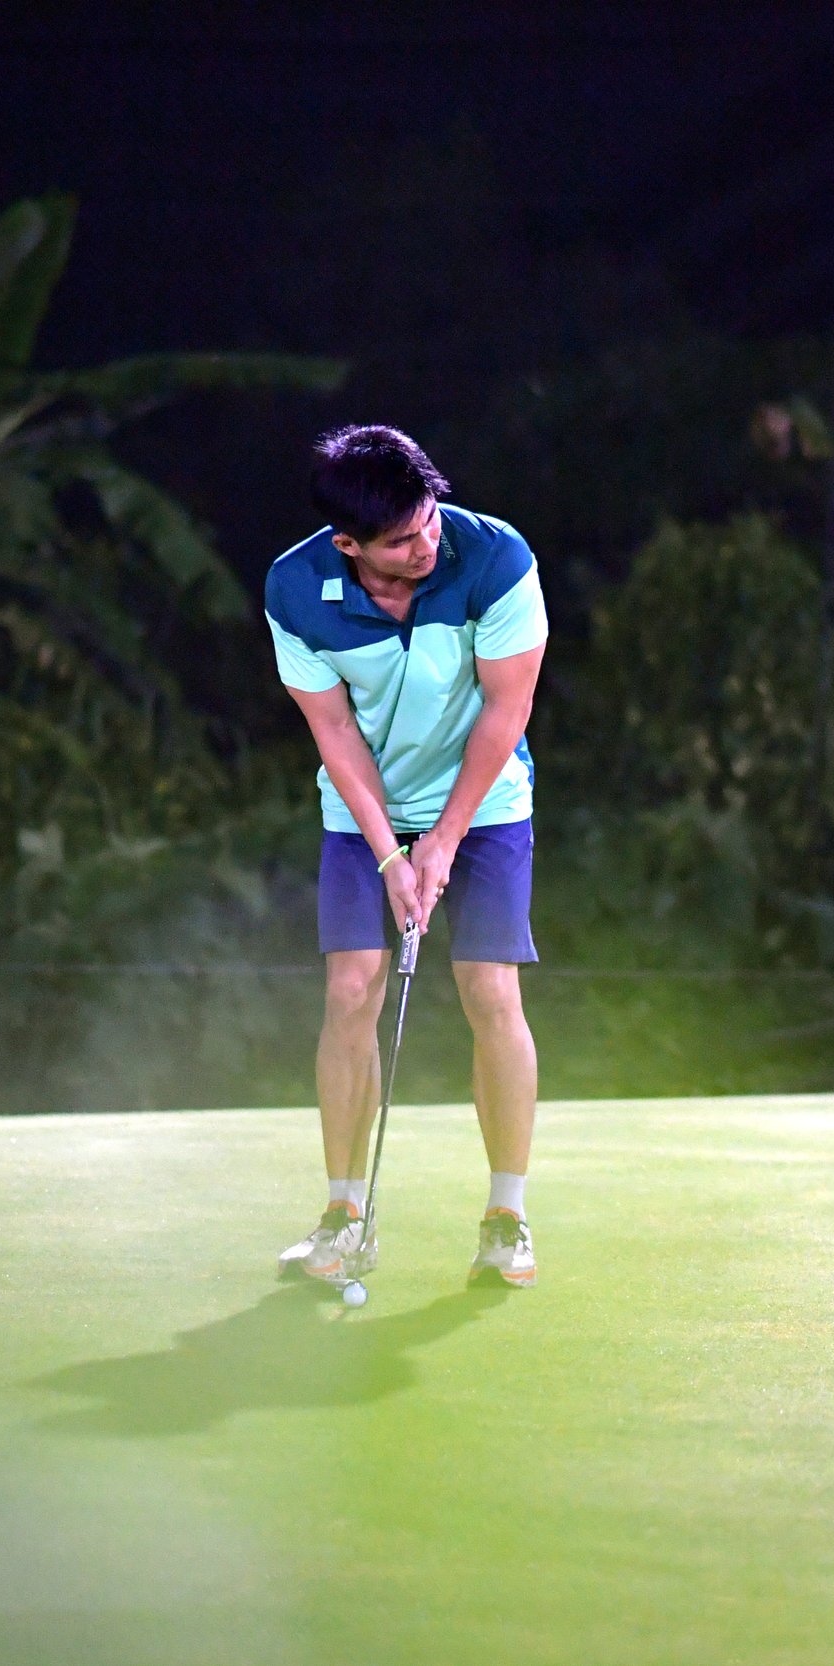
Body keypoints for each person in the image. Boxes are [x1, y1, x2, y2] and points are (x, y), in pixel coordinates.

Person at [264, 425, 546, 1290]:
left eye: (428, 523)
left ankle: (507, 1217)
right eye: (401, 541)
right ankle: (344, 1212)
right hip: (363, 814)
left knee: (489, 990)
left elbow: (507, 709)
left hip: (487, 799)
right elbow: (334, 730)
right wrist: (393, 857)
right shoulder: (296, 588)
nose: (426, 544)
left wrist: (446, 842)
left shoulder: (494, 557)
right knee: (351, 989)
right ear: (349, 546)